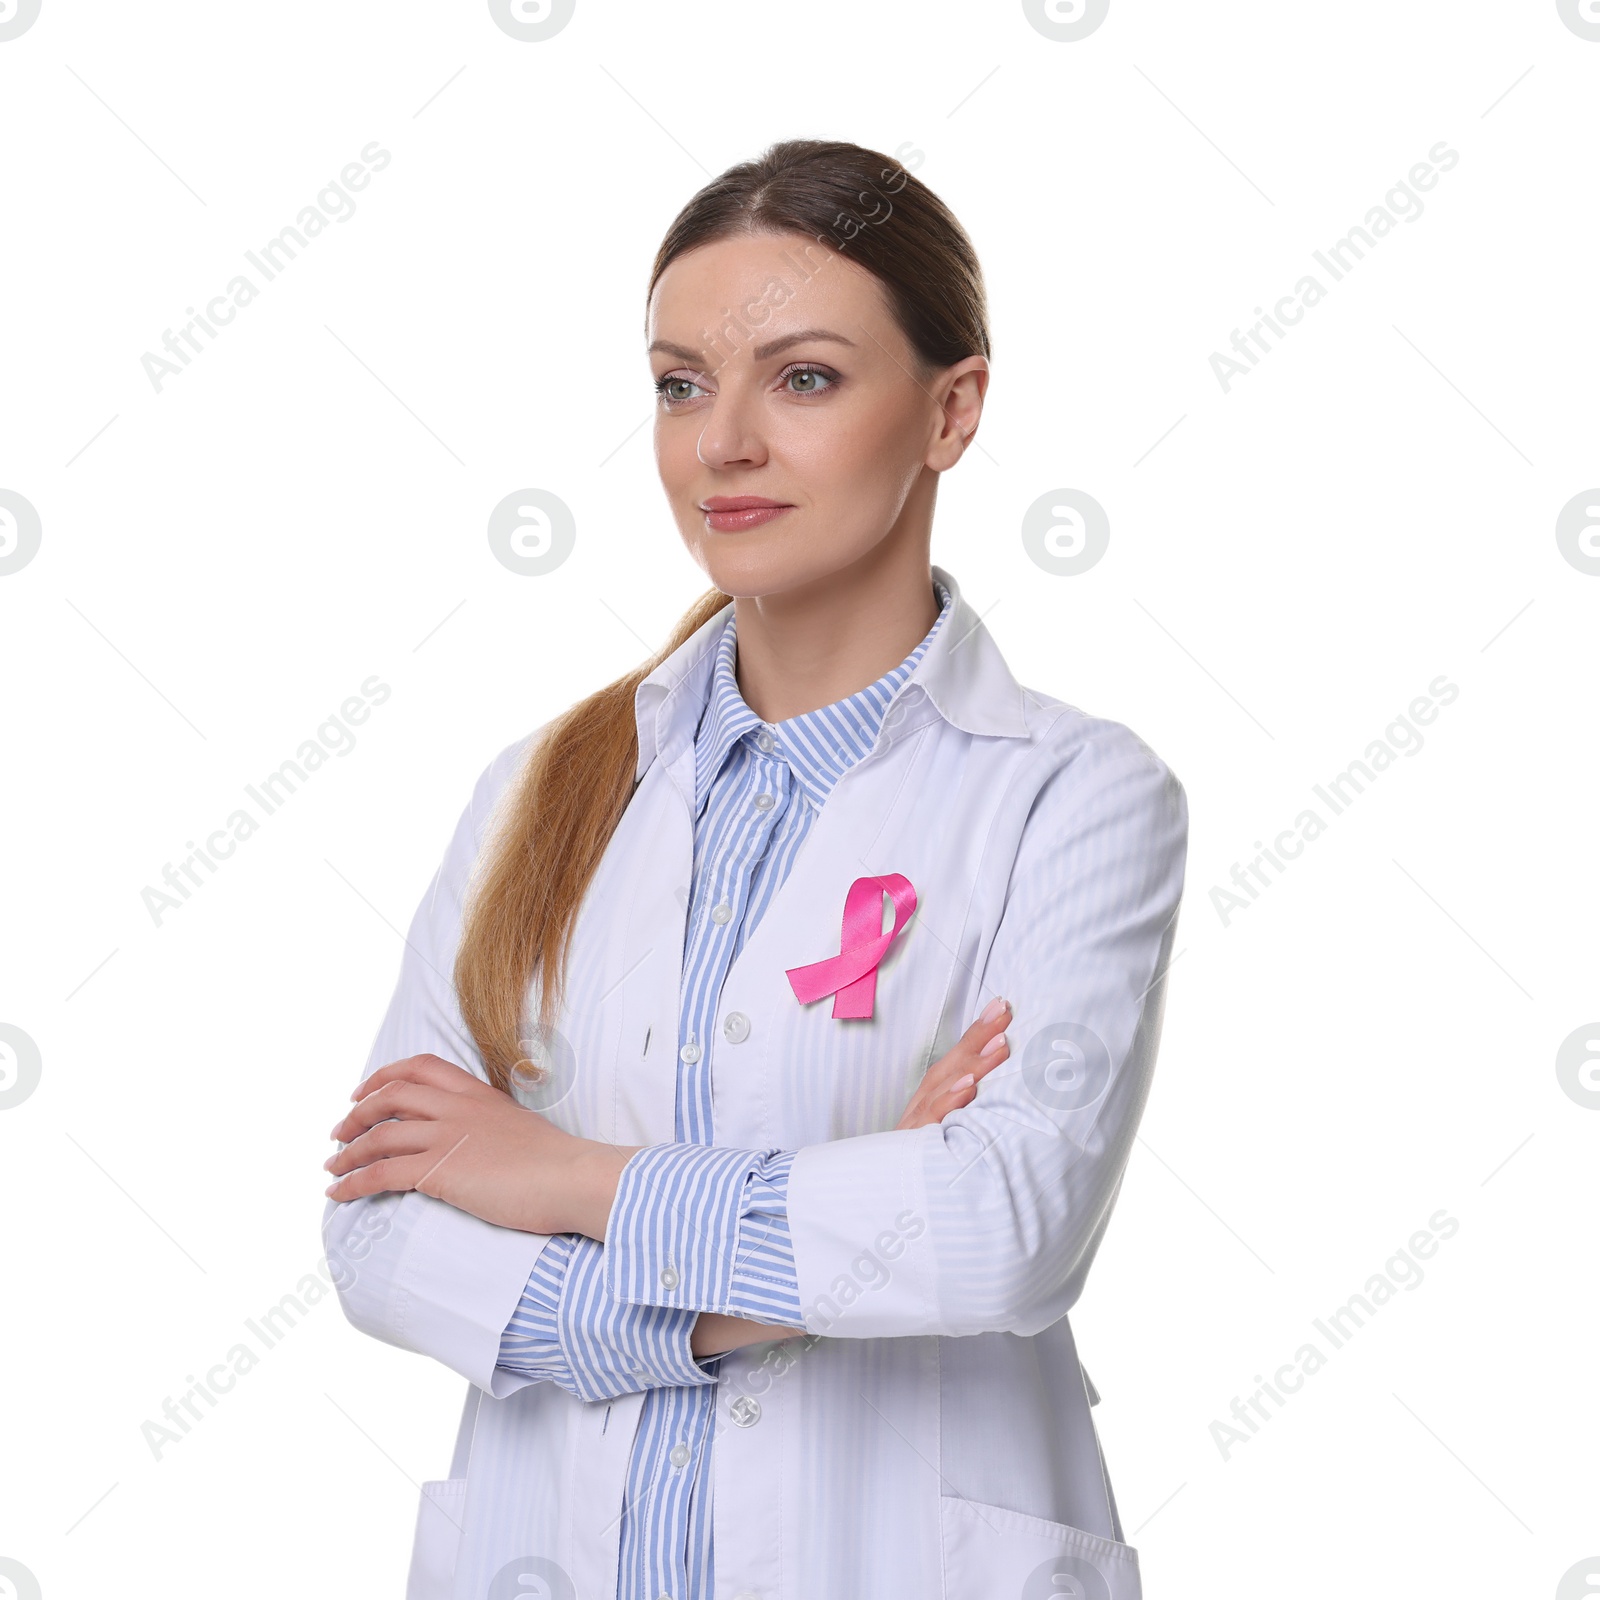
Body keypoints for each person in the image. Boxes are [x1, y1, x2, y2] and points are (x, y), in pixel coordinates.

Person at [322, 137, 1187, 1600]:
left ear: (951, 411)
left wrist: (562, 1177)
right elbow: (381, 1234)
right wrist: (758, 1296)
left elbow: (999, 1230)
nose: (720, 442)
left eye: (802, 379)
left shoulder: (1074, 795)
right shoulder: (540, 790)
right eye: (678, 383)